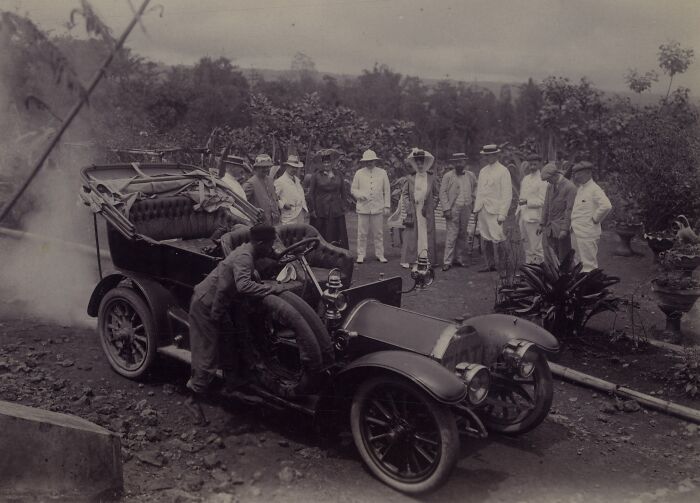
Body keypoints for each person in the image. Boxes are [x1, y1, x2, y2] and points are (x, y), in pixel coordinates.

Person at [185, 224, 283, 424]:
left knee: (231, 343)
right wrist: (269, 289)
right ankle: (193, 398)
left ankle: (233, 385)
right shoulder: (244, 257)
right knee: (208, 356)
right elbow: (242, 285)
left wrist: (278, 256)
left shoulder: (251, 250)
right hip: (207, 305)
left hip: (220, 302)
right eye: (270, 244)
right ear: (261, 243)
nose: (272, 248)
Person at [472, 144, 512, 273]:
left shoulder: (503, 171)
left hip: (495, 210)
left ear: (497, 155)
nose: (489, 157)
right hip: (483, 209)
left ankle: (503, 266)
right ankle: (490, 264)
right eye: (487, 155)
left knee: (498, 237)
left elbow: (507, 194)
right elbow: (480, 192)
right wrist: (476, 210)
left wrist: (502, 214)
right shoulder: (483, 171)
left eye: (491, 155)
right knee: (486, 237)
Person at [400, 148, 439, 269]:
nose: (420, 165)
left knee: (426, 234)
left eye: (422, 162)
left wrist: (431, 206)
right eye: (417, 162)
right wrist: (409, 207)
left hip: (427, 211)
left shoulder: (431, 177)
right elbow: (405, 194)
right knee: (413, 235)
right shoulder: (410, 178)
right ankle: (413, 259)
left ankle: (427, 258)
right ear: (414, 164)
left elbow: (437, 194)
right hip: (414, 210)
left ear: (426, 163)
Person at [570, 161, 612, 271]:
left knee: (588, 264)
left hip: (588, 233)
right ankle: (579, 286)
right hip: (577, 231)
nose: (575, 176)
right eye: (575, 173)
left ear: (588, 173)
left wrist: (595, 219)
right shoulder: (581, 188)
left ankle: (590, 287)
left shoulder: (594, 189)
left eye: (579, 173)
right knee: (577, 261)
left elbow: (606, 205)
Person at [350, 149, 391, 263]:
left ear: (375, 161)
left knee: (378, 233)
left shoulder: (382, 173)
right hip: (363, 208)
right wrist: (359, 195)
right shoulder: (359, 173)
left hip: (377, 207)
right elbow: (353, 189)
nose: (369, 163)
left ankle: (380, 254)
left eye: (371, 161)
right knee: (362, 233)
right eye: (367, 161)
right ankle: (361, 254)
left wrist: (387, 206)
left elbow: (387, 190)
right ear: (364, 162)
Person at [439, 152, 477, 271]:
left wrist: (473, 199)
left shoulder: (470, 175)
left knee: (462, 233)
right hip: (453, 208)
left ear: (465, 162)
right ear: (453, 163)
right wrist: (446, 208)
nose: (459, 164)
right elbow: (442, 193)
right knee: (452, 234)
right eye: (456, 162)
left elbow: (476, 187)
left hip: (466, 207)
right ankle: (447, 261)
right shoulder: (448, 176)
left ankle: (458, 259)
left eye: (461, 161)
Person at [539, 162, 577, 267]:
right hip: (549, 229)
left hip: (561, 230)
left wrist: (565, 229)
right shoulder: (550, 186)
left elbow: (569, 210)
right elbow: (546, 206)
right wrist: (542, 224)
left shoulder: (570, 187)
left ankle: (567, 280)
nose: (547, 181)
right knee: (550, 257)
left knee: (564, 259)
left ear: (555, 175)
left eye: (548, 179)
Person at [308, 149, 349, 249]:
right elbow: (311, 194)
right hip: (321, 208)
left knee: (338, 232)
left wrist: (343, 206)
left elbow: (343, 192)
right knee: (323, 232)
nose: (326, 164)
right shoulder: (316, 176)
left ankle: (340, 255)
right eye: (324, 162)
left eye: (328, 162)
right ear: (321, 163)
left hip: (336, 208)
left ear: (332, 163)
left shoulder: (338, 174)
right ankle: (322, 255)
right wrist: (312, 209)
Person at [517, 153, 548, 264]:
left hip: (534, 218)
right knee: (526, 244)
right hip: (523, 217)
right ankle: (529, 269)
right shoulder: (525, 179)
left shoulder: (543, 180)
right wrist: (518, 214)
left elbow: (543, 201)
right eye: (530, 165)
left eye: (535, 164)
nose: (532, 167)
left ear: (540, 164)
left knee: (536, 246)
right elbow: (521, 197)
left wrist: (527, 202)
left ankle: (539, 269)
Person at [243, 154, 280, 225]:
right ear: (256, 168)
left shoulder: (270, 180)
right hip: (259, 223)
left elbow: (274, 198)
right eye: (263, 167)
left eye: (268, 167)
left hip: (273, 222)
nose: (266, 169)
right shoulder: (250, 183)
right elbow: (243, 203)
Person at [274, 155, 309, 225]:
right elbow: (273, 197)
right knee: (289, 234)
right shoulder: (280, 181)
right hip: (289, 216)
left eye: (296, 168)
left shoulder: (297, 180)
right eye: (292, 167)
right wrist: (283, 204)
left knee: (300, 234)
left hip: (300, 214)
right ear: (287, 166)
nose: (294, 170)